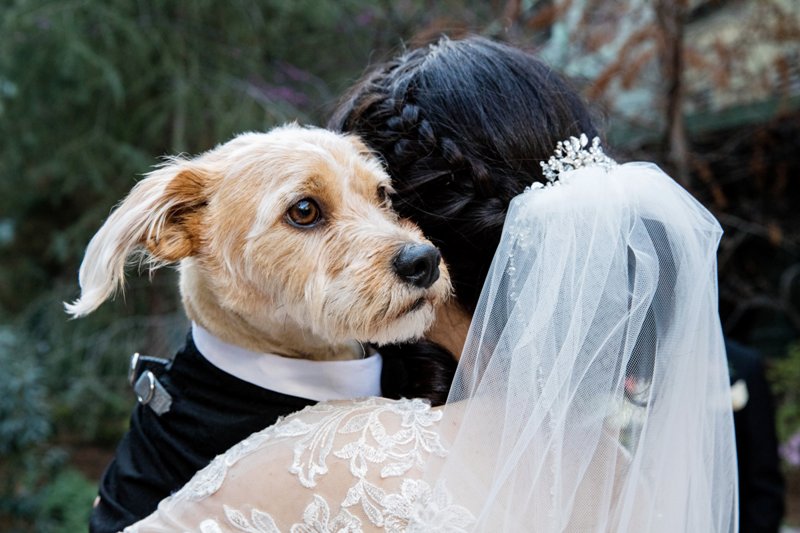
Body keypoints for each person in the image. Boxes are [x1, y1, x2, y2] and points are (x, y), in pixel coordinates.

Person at [125, 36, 738, 532]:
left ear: (428, 230)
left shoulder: (332, 454)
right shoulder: (621, 474)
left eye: (382, 198)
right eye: (313, 211)